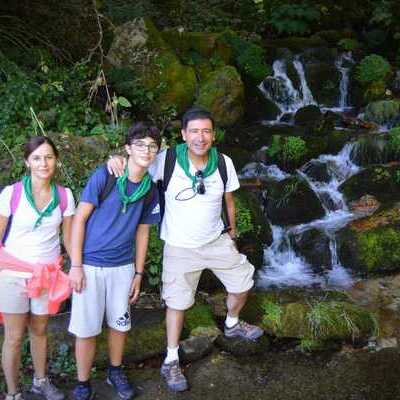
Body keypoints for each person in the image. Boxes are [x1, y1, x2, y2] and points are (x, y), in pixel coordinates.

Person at [107, 107, 263, 392]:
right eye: (194, 131)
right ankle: (171, 359)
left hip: (216, 240)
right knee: (177, 304)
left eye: (205, 131)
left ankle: (232, 322)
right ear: (183, 134)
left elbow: (228, 200)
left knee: (243, 283)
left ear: (213, 135)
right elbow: (136, 166)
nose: (200, 137)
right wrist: (116, 158)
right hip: (179, 246)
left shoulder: (224, 162)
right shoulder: (166, 160)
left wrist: (232, 232)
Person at [68, 122, 161, 400]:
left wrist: (138, 273)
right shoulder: (105, 176)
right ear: (127, 148)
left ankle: (115, 370)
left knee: (120, 324)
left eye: (152, 146)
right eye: (140, 144)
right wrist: (75, 265)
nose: (147, 150)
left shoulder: (150, 189)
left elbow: (143, 231)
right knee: (86, 329)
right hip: (90, 265)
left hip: (123, 267)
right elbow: (79, 220)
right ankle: (83, 382)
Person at [0, 136, 75, 400]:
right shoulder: (12, 194)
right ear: (27, 162)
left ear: (56, 160)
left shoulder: (65, 196)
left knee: (40, 330)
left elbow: (68, 237)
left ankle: (40, 381)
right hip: (12, 273)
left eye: (49, 157)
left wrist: (76, 265)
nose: (43, 163)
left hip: (47, 275)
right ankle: (12, 392)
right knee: (13, 337)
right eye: (37, 158)